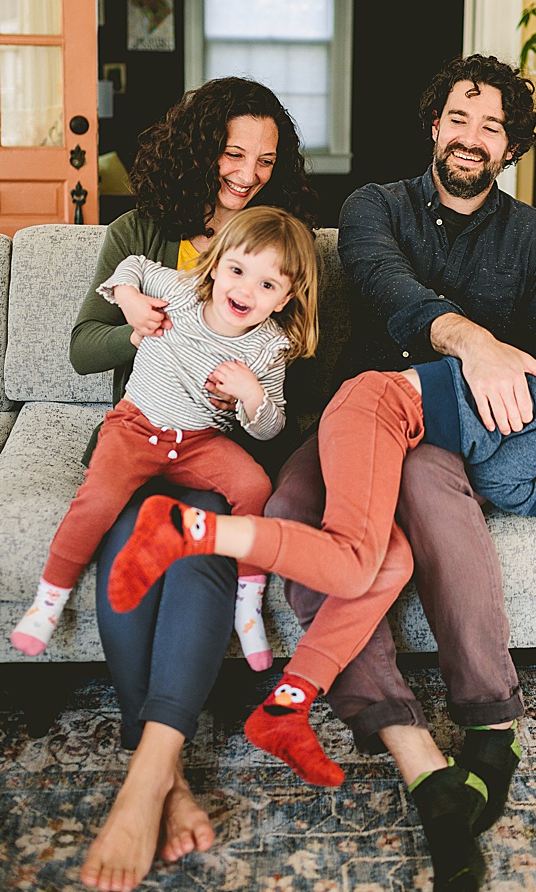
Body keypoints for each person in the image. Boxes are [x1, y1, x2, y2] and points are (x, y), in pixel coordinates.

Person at [262, 53, 536, 891]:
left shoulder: (534, 236)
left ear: (511, 148)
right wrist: (473, 341)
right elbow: (387, 288)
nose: (472, 137)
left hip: (449, 435)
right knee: (294, 512)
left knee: (433, 497)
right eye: (460, 117)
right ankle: (416, 753)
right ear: (435, 125)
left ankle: (490, 720)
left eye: (493, 126)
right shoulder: (373, 207)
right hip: (353, 413)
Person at [108, 363, 536, 794]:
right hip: (379, 409)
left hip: (391, 418)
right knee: (350, 559)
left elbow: (496, 450)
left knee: (386, 564)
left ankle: (288, 707)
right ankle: (187, 531)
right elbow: (498, 477)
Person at [69, 77, 318, 892]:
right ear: (199, 145)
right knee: (126, 547)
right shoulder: (142, 231)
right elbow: (83, 343)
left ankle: (148, 773)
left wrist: (247, 388)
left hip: (213, 450)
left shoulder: (276, 246)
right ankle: (166, 774)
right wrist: (143, 327)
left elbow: (293, 374)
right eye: (233, 152)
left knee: (198, 546)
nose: (247, 172)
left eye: (265, 159)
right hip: (138, 438)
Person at [11, 207, 317, 661]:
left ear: (286, 298)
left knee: (255, 487)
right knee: (97, 498)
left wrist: (251, 396)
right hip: (134, 427)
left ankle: (248, 606)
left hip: (201, 443)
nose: (245, 290)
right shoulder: (180, 291)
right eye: (236, 270)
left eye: (267, 285)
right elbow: (131, 264)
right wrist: (127, 296)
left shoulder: (269, 346)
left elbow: (271, 428)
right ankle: (48, 600)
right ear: (214, 265)